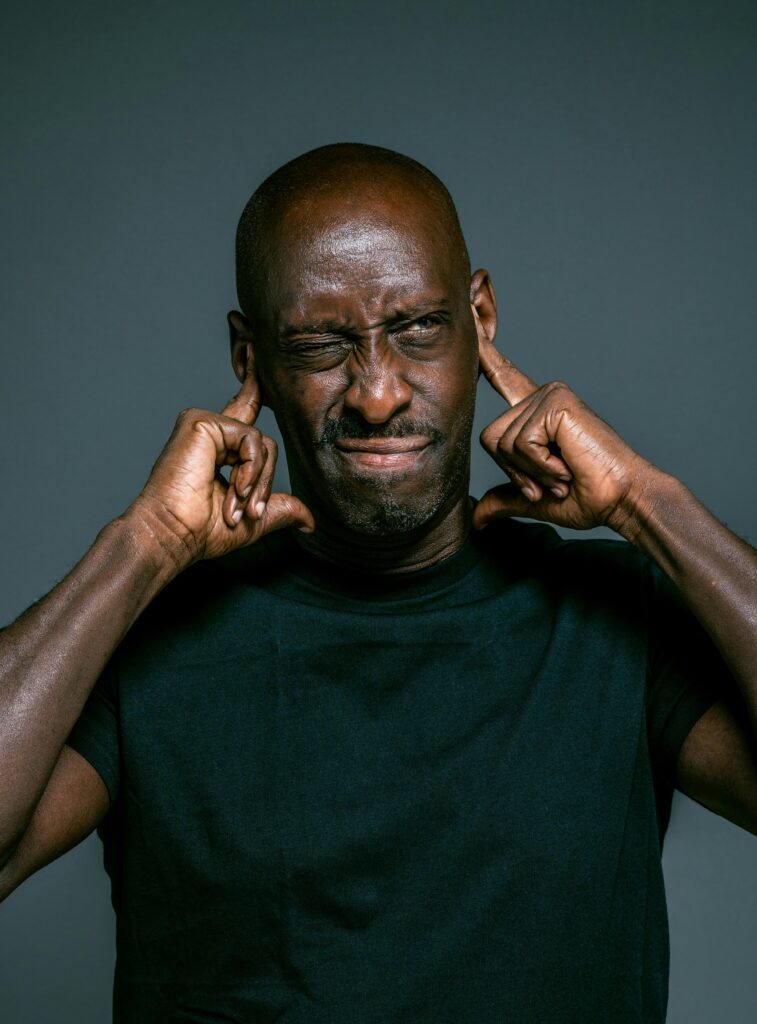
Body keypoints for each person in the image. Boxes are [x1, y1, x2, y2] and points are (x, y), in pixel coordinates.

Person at [0, 142, 754, 1023]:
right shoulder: (146, 636)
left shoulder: (621, 617)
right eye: (320, 344)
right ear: (251, 361)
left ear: (481, 315)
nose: (376, 393)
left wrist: (646, 502)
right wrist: (142, 545)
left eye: (417, 328)